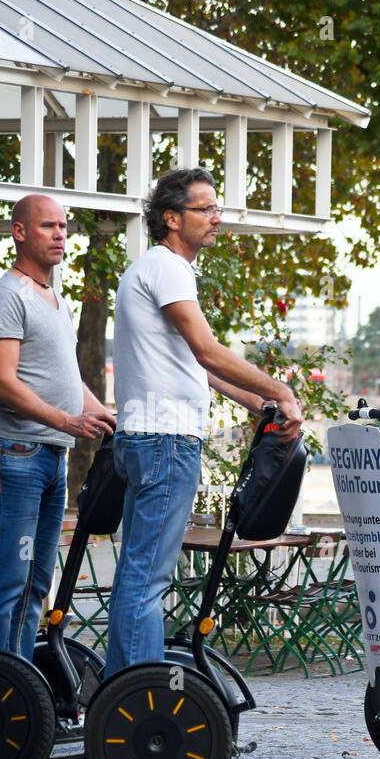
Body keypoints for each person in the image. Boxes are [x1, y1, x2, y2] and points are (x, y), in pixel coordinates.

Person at [107, 167, 303, 676]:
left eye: (217, 209)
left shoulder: (158, 270)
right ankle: (137, 701)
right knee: (148, 580)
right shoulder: (168, 268)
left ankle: (120, 696)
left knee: (138, 574)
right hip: (165, 441)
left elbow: (200, 367)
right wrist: (280, 389)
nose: (218, 219)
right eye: (206, 209)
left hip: (147, 438)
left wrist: (259, 405)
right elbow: (208, 351)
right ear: (171, 218)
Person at [0, 194, 116, 662]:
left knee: (37, 582)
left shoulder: (55, 300)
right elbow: (4, 384)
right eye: (48, 226)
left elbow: (70, 381)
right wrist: (69, 422)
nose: (60, 234)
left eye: (63, 226)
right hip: (13, 453)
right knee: (10, 576)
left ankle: (21, 686)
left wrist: (109, 416)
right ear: (19, 232)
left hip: (51, 456)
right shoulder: (5, 296)